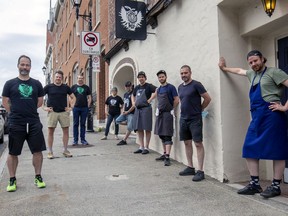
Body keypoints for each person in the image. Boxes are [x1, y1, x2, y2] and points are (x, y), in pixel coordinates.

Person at [218, 50, 288, 198]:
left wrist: (284, 107)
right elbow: (239, 71)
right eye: (250, 62)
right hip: (257, 117)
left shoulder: (274, 72)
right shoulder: (252, 74)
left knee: (277, 150)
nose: (253, 64)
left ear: (262, 59)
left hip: (272, 115)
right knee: (249, 148)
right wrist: (224, 68)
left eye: (255, 61)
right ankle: (255, 184)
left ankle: (276, 186)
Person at [2, 55, 46, 192]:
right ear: (18, 65)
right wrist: (14, 112)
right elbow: (5, 101)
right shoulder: (10, 84)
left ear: (30, 67)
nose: (25, 67)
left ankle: (38, 177)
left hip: (33, 121)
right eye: (22, 64)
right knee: (13, 152)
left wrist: (29, 110)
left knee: (38, 151)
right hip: (16, 122)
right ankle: (12, 179)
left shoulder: (36, 84)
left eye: (27, 65)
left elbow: (40, 101)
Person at [178, 65, 211, 181]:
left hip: (195, 119)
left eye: (185, 73)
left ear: (190, 73)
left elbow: (207, 98)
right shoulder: (180, 87)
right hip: (183, 118)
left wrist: (200, 109)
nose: (183, 75)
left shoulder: (197, 84)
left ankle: (201, 171)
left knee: (198, 143)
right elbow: (183, 101)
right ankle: (190, 167)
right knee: (187, 143)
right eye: (182, 73)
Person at [43, 70, 75, 159]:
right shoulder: (48, 87)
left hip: (63, 112)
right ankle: (50, 151)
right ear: (54, 77)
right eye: (57, 77)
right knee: (50, 132)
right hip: (52, 112)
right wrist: (44, 108)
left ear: (62, 78)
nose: (58, 78)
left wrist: (71, 107)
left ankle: (65, 150)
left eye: (60, 77)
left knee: (66, 131)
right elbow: (39, 97)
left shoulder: (66, 87)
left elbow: (73, 97)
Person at [154, 70, 179, 166]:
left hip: (168, 114)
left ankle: (168, 156)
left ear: (166, 77)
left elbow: (176, 99)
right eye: (159, 77)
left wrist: (172, 109)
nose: (161, 78)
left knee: (167, 135)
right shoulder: (158, 89)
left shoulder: (171, 87)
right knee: (161, 134)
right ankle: (164, 154)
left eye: (162, 76)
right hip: (160, 114)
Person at [132, 71, 157, 154]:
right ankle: (141, 146)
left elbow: (157, 90)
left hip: (146, 109)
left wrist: (150, 99)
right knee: (139, 129)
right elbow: (133, 95)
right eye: (139, 77)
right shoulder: (137, 87)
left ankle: (146, 147)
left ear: (145, 78)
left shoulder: (149, 86)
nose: (141, 78)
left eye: (142, 77)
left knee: (147, 128)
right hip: (138, 110)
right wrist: (133, 102)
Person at [71, 74, 92, 145]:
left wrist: (88, 106)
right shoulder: (73, 87)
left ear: (83, 79)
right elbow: (70, 97)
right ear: (77, 78)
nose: (80, 79)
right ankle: (75, 140)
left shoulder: (86, 87)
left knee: (83, 124)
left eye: (81, 78)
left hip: (84, 108)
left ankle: (83, 140)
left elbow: (89, 97)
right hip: (76, 108)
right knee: (75, 124)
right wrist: (71, 105)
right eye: (79, 78)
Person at [115, 81, 135, 146]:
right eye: (126, 86)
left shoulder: (132, 94)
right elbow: (124, 103)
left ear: (131, 86)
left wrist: (128, 111)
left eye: (129, 86)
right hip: (125, 113)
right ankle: (130, 123)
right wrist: (123, 111)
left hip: (131, 113)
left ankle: (124, 140)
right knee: (117, 120)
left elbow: (134, 105)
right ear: (125, 87)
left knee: (129, 127)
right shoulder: (125, 94)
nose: (128, 87)